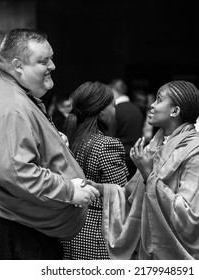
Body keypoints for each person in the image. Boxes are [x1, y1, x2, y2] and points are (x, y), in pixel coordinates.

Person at [0, 28, 99, 260]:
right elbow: (14, 172)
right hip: (12, 233)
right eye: (43, 61)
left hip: (15, 227)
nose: (52, 66)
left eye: (51, 58)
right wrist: (69, 191)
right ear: (17, 65)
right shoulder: (11, 107)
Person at [92, 80, 199, 259]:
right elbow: (132, 196)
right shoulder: (155, 145)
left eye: (159, 100)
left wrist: (148, 174)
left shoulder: (197, 151)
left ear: (175, 111)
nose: (151, 106)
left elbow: (189, 214)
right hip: (154, 249)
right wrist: (102, 189)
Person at [61, 81, 129, 259]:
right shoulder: (107, 145)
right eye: (113, 106)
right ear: (102, 114)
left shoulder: (67, 139)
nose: (115, 111)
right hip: (96, 234)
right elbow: (122, 195)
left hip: (69, 229)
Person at [109, 78, 144, 180]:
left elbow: (110, 137)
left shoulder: (115, 110)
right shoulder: (137, 109)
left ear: (113, 92)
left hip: (118, 157)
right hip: (134, 156)